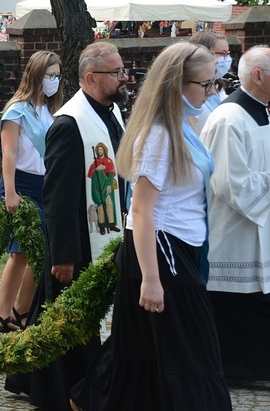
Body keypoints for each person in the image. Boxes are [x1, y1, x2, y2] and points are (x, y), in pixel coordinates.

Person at [69, 42, 231, 410]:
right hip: (162, 250)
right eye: (204, 84)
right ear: (177, 84)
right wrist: (151, 278)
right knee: (194, 351)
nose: (210, 92)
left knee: (140, 349)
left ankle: (89, 398)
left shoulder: (184, 125)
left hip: (180, 247)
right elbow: (141, 211)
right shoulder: (159, 134)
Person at [5, 41, 127, 409]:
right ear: (91, 78)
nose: (123, 77)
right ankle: (64, 390)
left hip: (106, 228)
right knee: (66, 321)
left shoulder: (112, 111)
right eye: (116, 73)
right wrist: (64, 254)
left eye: (122, 70)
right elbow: (56, 196)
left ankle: (30, 377)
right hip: (77, 241)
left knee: (54, 314)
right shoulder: (70, 124)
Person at [200, 45, 270, 381]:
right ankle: (233, 368)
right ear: (258, 76)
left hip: (259, 227)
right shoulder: (229, 118)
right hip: (234, 232)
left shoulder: (262, 111)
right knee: (236, 303)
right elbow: (230, 182)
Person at [0, 51, 63, 332]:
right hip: (20, 184)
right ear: (36, 75)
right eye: (50, 75)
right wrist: (10, 192)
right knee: (21, 253)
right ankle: (3, 315)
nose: (54, 81)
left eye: (57, 76)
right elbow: (8, 153)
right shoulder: (17, 110)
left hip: (43, 185)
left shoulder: (48, 109)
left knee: (40, 253)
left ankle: (21, 311)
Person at [190, 31, 232, 133]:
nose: (226, 59)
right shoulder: (191, 91)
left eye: (228, 53)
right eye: (222, 53)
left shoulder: (218, 86)